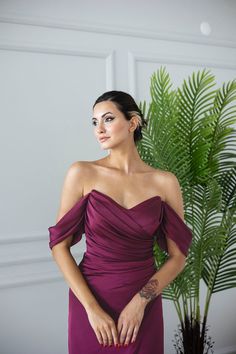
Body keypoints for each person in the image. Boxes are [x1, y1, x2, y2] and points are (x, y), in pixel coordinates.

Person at [48, 90, 193, 354]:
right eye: (94, 122)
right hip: (92, 301)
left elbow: (178, 256)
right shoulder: (82, 173)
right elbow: (59, 246)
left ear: (133, 122)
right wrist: (92, 309)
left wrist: (141, 302)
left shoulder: (164, 182)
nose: (99, 129)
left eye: (108, 119)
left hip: (144, 303)